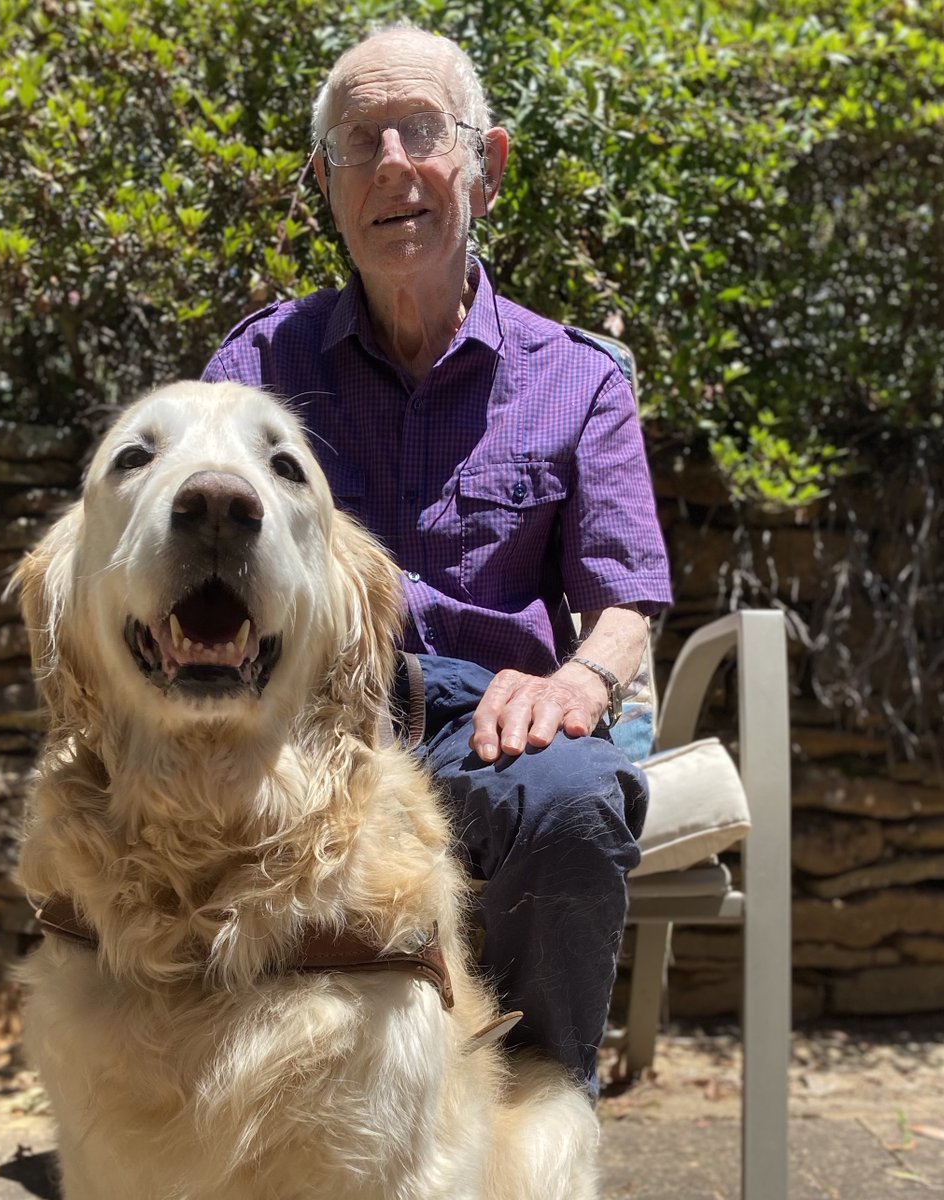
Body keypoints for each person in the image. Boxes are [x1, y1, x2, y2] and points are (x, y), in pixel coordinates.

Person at [201, 23, 673, 1098]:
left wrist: (575, 682)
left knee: (571, 796)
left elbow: (623, 599)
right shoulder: (253, 371)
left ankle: (540, 1117)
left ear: (486, 166)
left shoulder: (577, 379)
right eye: (361, 141)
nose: (394, 164)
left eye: (424, 130)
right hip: (304, 721)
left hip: (489, 722)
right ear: (326, 184)